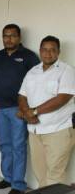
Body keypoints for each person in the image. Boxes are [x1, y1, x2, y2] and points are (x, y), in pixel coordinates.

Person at [18, 35, 75, 188]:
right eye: (45, 50)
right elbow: (22, 95)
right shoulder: (32, 71)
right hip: (35, 131)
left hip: (58, 130)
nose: (48, 54)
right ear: (40, 51)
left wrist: (34, 112)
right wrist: (26, 112)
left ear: (59, 52)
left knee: (55, 175)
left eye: (52, 50)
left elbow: (62, 98)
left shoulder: (66, 71)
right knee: (40, 173)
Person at [0, 24, 39, 194]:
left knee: (18, 147)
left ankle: (18, 184)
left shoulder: (29, 56)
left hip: (18, 110)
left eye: (12, 36)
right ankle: (8, 178)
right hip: (0, 109)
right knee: (4, 145)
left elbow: (36, 84)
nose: (8, 39)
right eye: (5, 35)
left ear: (19, 38)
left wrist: (25, 108)